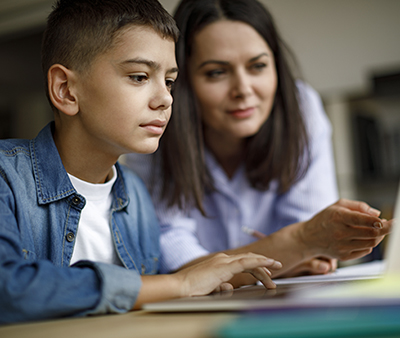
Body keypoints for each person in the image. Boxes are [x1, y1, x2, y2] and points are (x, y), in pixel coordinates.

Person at [0, 0, 283, 325]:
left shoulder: (135, 195)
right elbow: (8, 290)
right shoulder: (6, 177)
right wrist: (180, 284)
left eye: (169, 81)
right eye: (139, 76)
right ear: (66, 90)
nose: (165, 98)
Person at [126, 0, 392, 286]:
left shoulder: (300, 107)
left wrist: (295, 248)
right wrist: (293, 248)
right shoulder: (156, 123)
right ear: (183, 80)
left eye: (258, 66)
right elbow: (173, 260)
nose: (243, 89)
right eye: (217, 72)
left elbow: (316, 251)